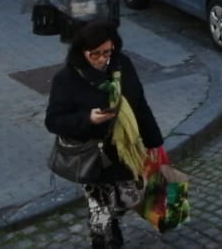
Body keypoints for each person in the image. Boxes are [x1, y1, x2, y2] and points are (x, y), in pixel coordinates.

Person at [46, 19, 168, 249]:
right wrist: (88, 119)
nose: (103, 59)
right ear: (82, 52)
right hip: (93, 157)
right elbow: (53, 120)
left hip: (124, 151)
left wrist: (155, 143)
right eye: (96, 54)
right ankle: (105, 238)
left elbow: (139, 105)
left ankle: (113, 221)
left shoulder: (122, 65)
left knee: (128, 198)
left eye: (107, 52)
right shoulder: (67, 79)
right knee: (100, 212)